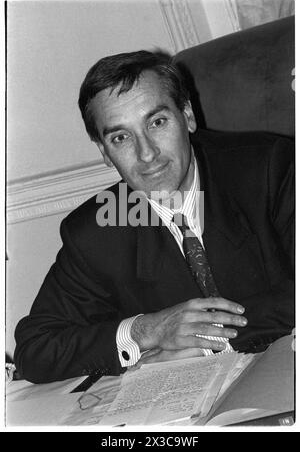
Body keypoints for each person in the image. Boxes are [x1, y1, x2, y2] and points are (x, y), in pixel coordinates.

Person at [14, 51, 294, 383]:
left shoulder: (267, 169)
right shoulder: (104, 223)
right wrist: (147, 330)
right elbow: (36, 348)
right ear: (104, 152)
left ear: (187, 115)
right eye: (121, 137)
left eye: (157, 122)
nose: (147, 154)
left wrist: (208, 344)